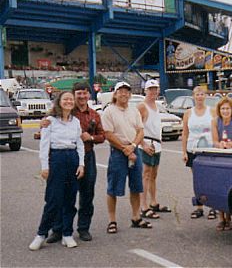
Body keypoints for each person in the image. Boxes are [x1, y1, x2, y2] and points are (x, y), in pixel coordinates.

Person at [45, 82, 105, 243]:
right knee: (63, 194)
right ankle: (59, 229)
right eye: (78, 93)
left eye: (85, 93)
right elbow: (47, 124)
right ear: (73, 94)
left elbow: (102, 136)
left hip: (87, 156)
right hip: (67, 158)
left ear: (89, 95)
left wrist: (91, 138)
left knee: (87, 194)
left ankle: (83, 228)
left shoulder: (94, 115)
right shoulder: (64, 112)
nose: (82, 96)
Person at [29, 91, 85, 251]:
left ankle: (67, 234)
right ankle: (41, 234)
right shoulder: (49, 121)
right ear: (59, 102)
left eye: (71, 99)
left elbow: (79, 144)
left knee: (70, 199)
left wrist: (81, 164)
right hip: (57, 159)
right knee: (54, 200)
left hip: (72, 158)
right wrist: (45, 166)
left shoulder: (75, 122)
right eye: (65, 99)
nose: (69, 102)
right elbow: (44, 145)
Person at [102, 81, 152, 233]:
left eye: (127, 91)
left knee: (136, 186)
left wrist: (133, 147)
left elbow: (140, 131)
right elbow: (108, 134)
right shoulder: (109, 111)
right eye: (120, 91)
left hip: (133, 150)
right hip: (118, 152)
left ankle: (136, 217)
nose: (124, 94)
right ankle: (112, 220)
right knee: (113, 188)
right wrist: (125, 149)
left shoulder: (134, 111)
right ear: (115, 94)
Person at [137, 79, 171, 220]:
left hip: (156, 144)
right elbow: (135, 127)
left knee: (153, 175)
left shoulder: (156, 106)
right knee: (145, 174)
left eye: (155, 89)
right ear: (145, 90)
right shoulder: (142, 106)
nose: (153, 92)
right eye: (150, 89)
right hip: (146, 144)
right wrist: (143, 144)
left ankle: (153, 202)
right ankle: (143, 206)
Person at [182, 86, 216, 220]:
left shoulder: (212, 111)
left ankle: (214, 207)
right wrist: (184, 152)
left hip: (209, 149)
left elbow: (217, 129)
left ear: (205, 96)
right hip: (193, 149)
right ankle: (199, 207)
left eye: (202, 94)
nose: (200, 97)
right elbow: (185, 133)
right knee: (198, 180)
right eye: (197, 94)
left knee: (212, 179)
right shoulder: (188, 113)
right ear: (194, 96)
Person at [211, 97, 232, 231]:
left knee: (229, 186)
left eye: (228, 109)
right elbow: (214, 141)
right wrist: (221, 145)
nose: (225, 111)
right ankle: (221, 218)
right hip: (219, 157)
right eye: (223, 109)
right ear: (219, 110)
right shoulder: (214, 121)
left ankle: (229, 218)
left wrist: (231, 145)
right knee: (219, 186)